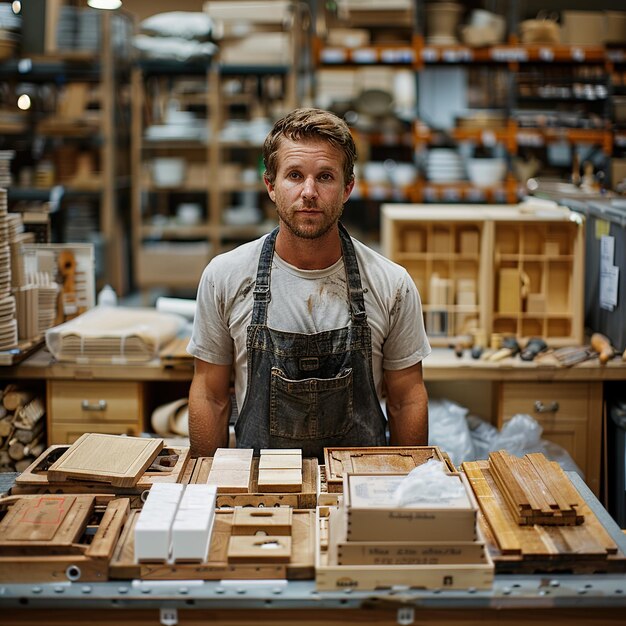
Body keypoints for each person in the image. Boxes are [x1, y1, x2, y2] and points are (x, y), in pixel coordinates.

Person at [187, 107, 430, 459]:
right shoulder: (225, 277)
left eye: (326, 177)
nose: (309, 192)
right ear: (271, 185)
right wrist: (206, 486)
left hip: (356, 491)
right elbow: (210, 395)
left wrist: (405, 488)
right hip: (259, 495)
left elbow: (407, 399)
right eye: (295, 175)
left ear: (347, 188)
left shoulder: (391, 284)